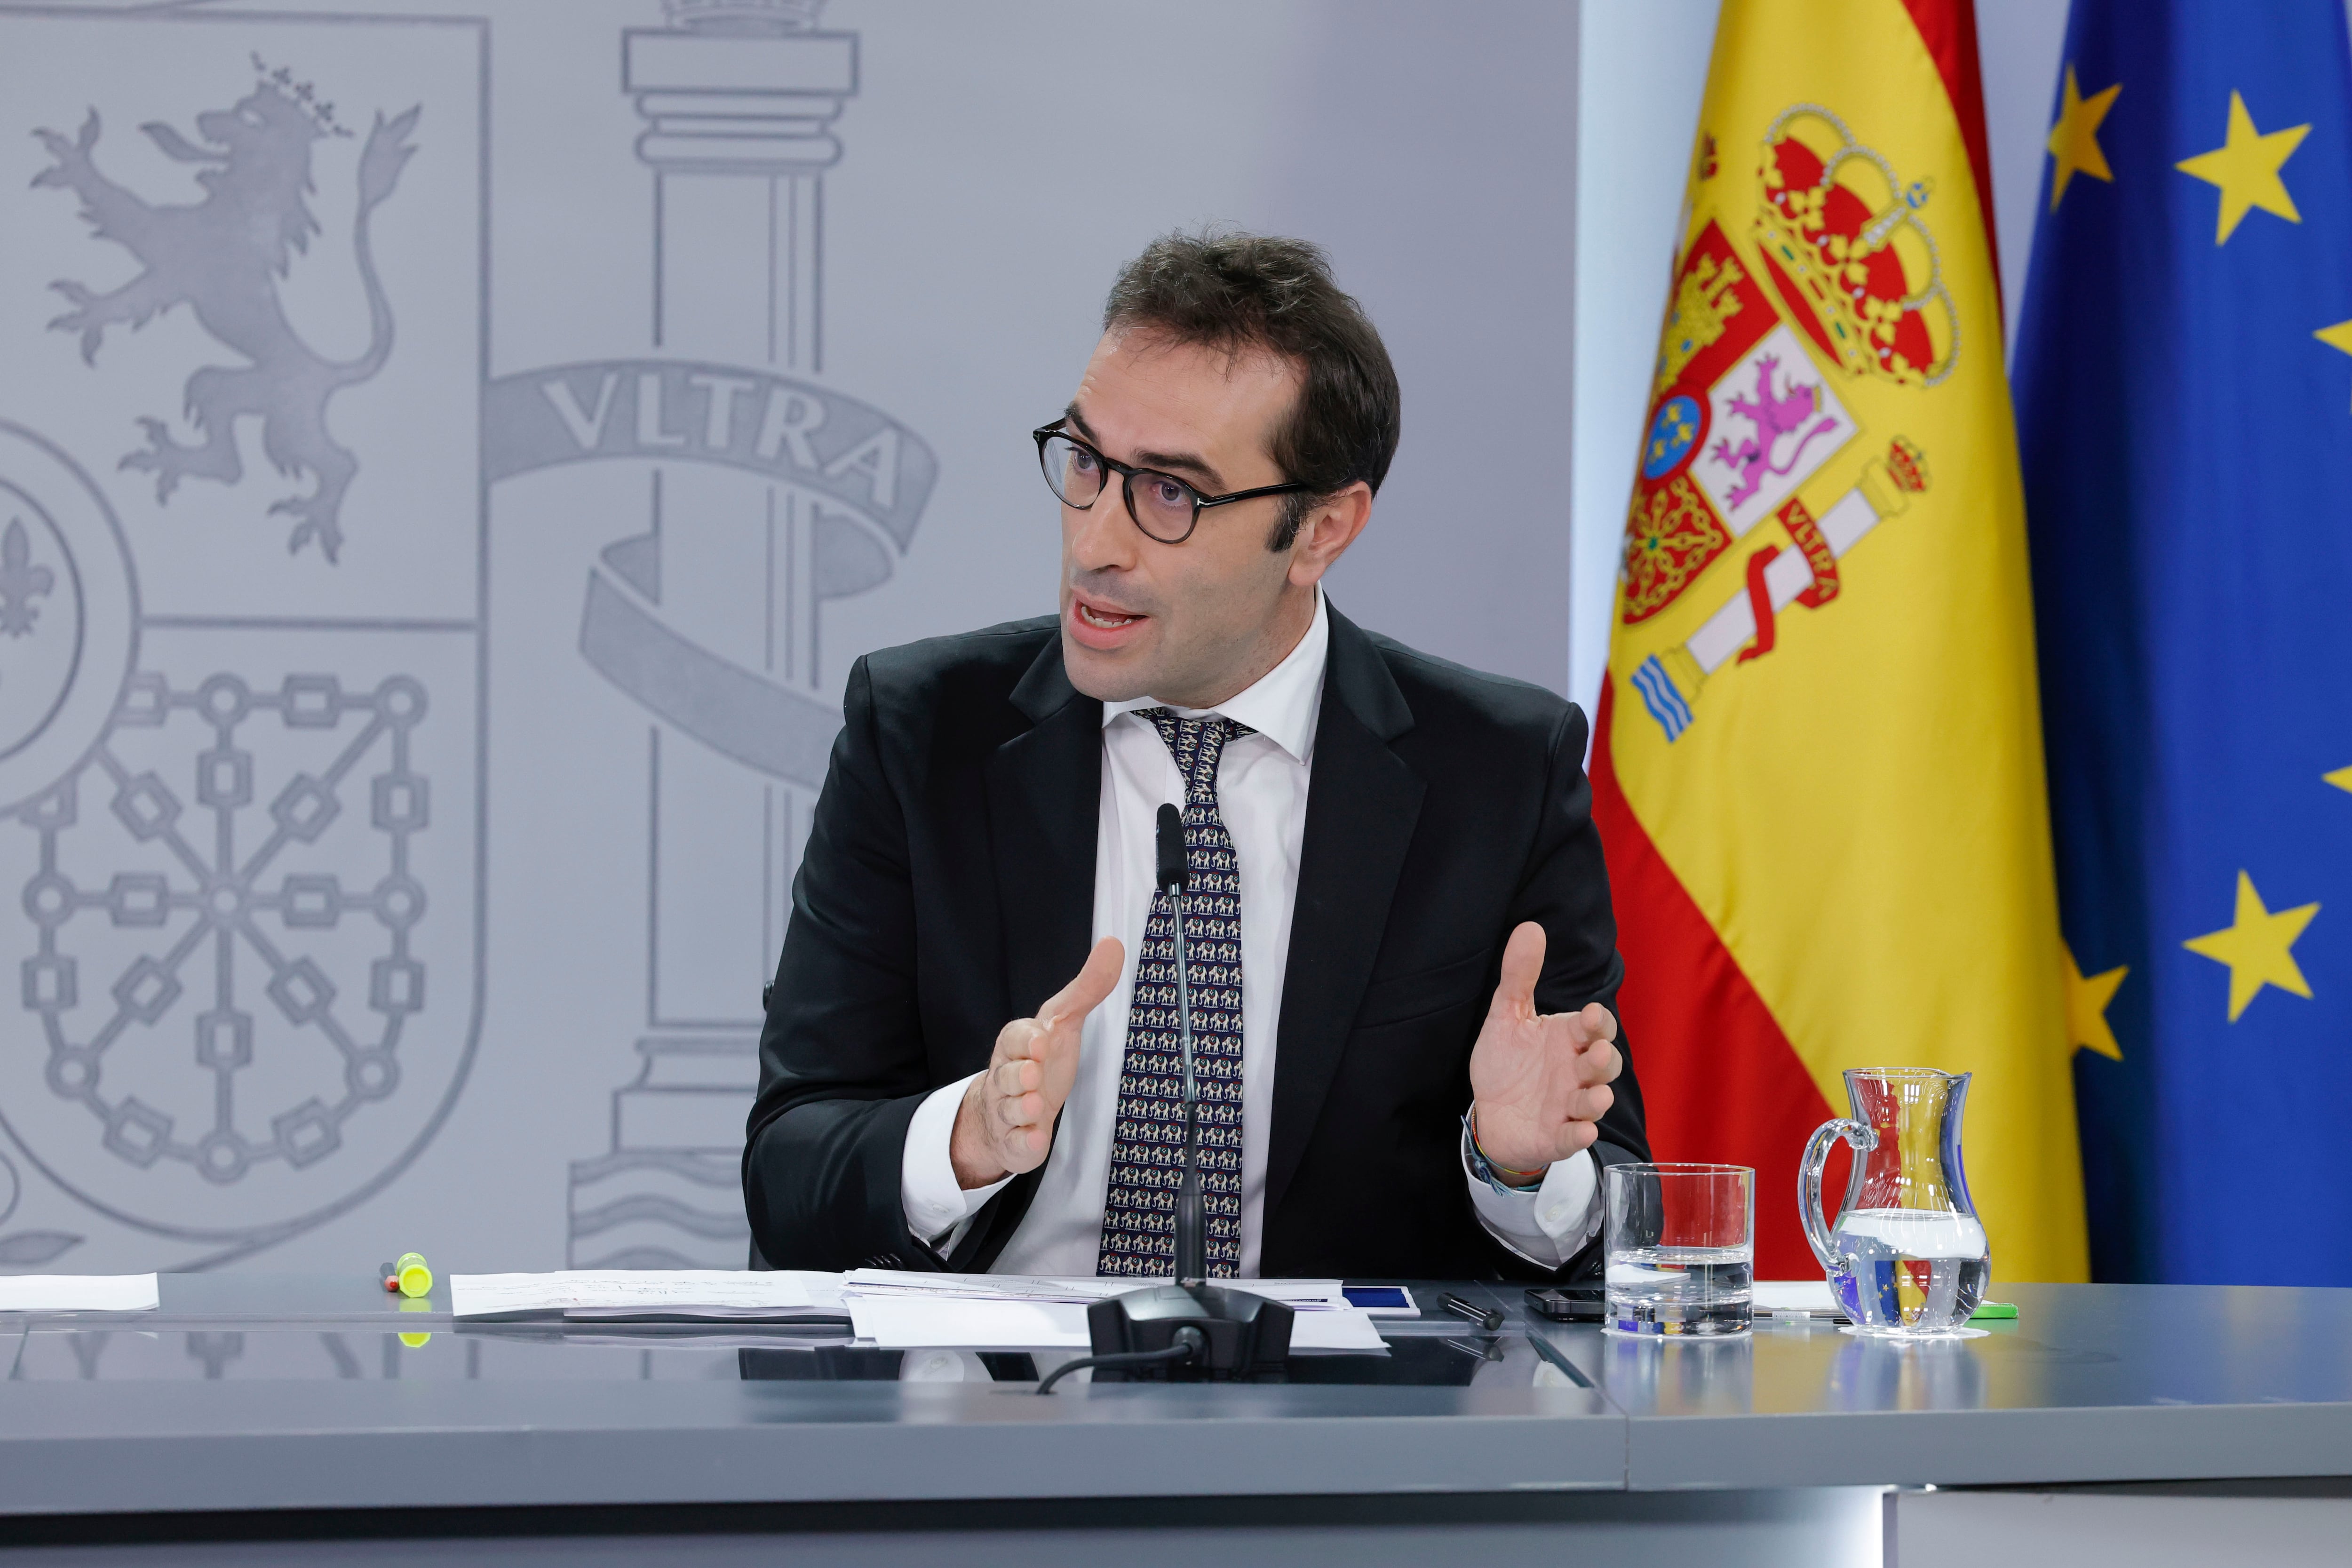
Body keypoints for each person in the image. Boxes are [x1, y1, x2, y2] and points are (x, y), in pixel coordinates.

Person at [745, 231, 1646, 1281]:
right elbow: (788, 1165)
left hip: (1335, 1426)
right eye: (1085, 462)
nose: (1095, 541)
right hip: (983, 1416)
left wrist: (1517, 1170)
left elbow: (1612, 1228)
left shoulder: (1497, 773)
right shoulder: (921, 733)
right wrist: (964, 1137)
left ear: (1321, 530)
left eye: (1169, 493)